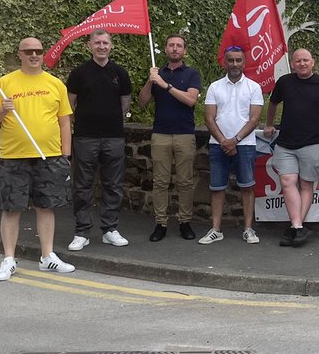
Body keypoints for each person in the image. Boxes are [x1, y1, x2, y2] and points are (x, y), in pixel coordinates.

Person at [0, 37, 75, 281]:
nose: (34, 55)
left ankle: (47, 257)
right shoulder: (5, 83)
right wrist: (3, 109)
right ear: (20, 54)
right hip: (14, 156)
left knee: (46, 206)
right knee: (11, 208)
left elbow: (64, 120)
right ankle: (8, 259)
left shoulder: (55, 84)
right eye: (29, 51)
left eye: (38, 51)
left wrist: (65, 153)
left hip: (49, 156)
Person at [264, 48, 319, 247]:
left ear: (313, 62)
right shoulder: (285, 82)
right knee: (287, 180)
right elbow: (273, 103)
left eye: (305, 60)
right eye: (298, 61)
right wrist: (268, 123)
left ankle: (295, 227)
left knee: (306, 184)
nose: (302, 64)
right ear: (292, 64)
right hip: (286, 142)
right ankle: (298, 227)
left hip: (315, 142)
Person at [65, 29, 133, 251]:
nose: (101, 46)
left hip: (114, 136)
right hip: (85, 137)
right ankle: (82, 231)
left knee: (113, 184)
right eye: (97, 43)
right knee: (82, 185)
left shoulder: (120, 73)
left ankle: (110, 229)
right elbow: (69, 105)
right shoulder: (79, 73)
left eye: (105, 43)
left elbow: (125, 104)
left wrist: (109, 118)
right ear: (89, 46)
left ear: (111, 46)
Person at [137, 34, 203, 242]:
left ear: (184, 51)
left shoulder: (192, 74)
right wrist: (151, 81)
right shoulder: (157, 73)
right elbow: (142, 102)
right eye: (171, 45)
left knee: (184, 181)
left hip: (184, 133)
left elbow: (190, 100)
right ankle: (161, 223)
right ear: (165, 49)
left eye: (179, 46)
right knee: (160, 182)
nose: (175, 49)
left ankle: (185, 222)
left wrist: (166, 85)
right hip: (161, 134)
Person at [200, 46, 264, 245]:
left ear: (244, 63)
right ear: (224, 62)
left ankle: (248, 229)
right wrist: (224, 142)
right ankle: (216, 229)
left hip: (245, 145)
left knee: (247, 187)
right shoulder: (214, 87)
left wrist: (234, 140)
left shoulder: (253, 87)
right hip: (218, 145)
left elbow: (254, 119)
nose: (235, 64)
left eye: (238, 60)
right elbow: (209, 119)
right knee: (217, 188)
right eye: (231, 60)